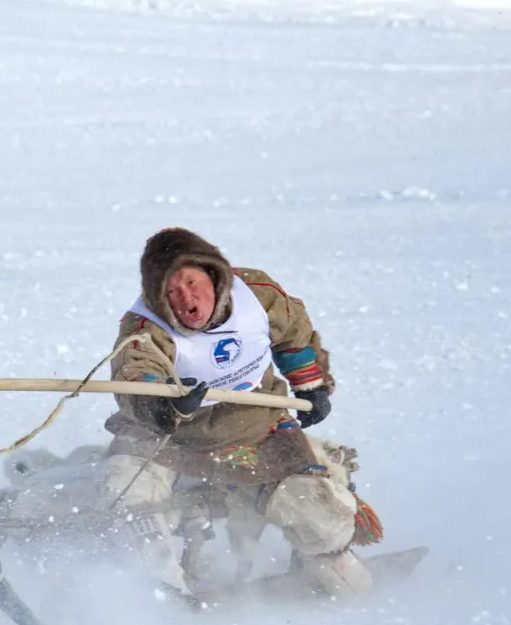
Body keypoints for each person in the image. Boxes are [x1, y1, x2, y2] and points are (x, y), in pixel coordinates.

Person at [102, 227, 374, 599]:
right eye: (171, 292)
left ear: (214, 274)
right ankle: (161, 596)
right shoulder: (145, 328)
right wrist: (163, 407)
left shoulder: (257, 294)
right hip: (167, 438)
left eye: (191, 282)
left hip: (255, 429)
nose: (186, 299)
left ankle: (330, 562)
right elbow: (135, 377)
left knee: (319, 513)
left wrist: (310, 384)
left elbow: (294, 333)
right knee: (127, 499)